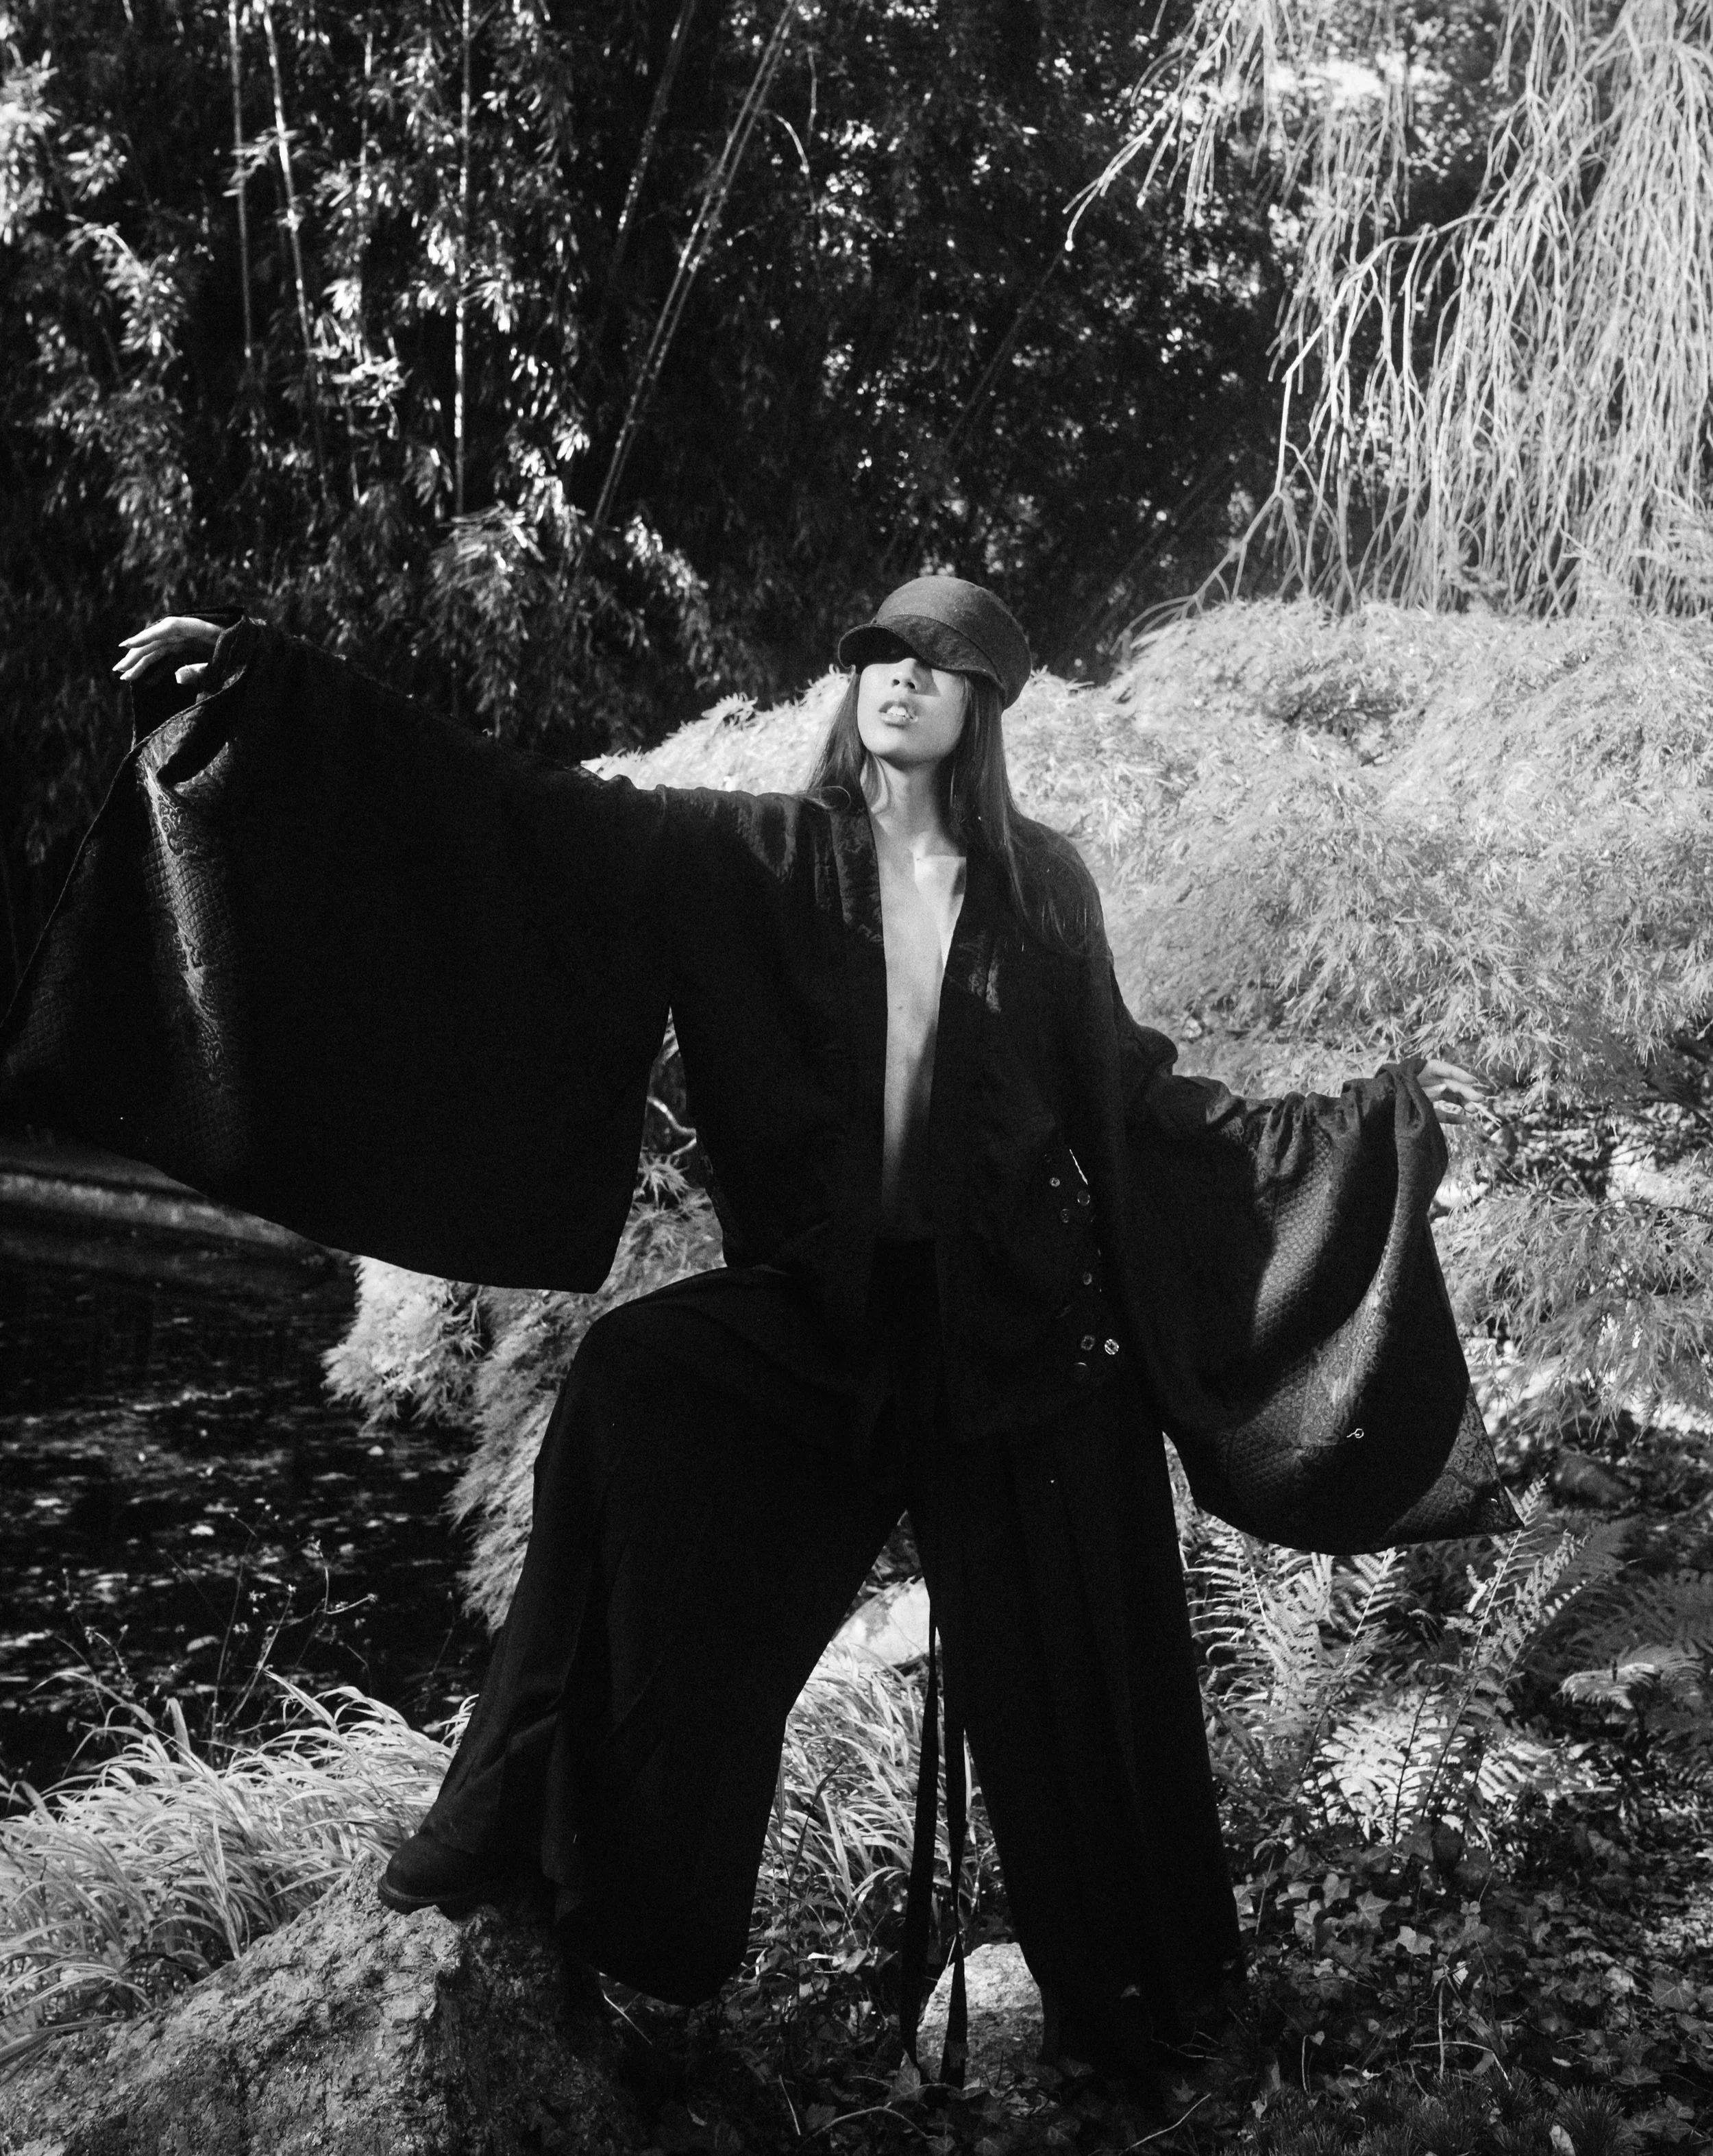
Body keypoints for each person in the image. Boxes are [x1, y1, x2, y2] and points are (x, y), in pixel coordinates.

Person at [5, 576, 1508, 2087]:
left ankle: (1155, 2030)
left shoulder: (1044, 888)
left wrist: (1363, 1132)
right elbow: (521, 813)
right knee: (635, 1386)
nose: (898, 679)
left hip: (1018, 1341)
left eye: (938, 665)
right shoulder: (757, 857)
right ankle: (578, 1885)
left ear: (985, 708)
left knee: (1083, 1685)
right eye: (875, 654)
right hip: (832, 1327)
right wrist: (264, 683)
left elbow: (1125, 1090)